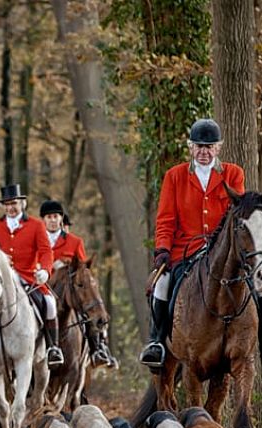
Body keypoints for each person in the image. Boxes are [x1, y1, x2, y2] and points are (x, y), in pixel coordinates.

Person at [139, 118, 245, 368]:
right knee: (162, 284)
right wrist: (163, 250)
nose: (204, 152)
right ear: (190, 147)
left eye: (209, 147)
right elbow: (165, 219)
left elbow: (239, 215)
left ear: (218, 148)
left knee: (251, 282)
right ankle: (156, 341)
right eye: (199, 146)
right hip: (185, 252)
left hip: (223, 252)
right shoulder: (174, 177)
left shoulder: (233, 173)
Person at [0, 185, 64, 367]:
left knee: (50, 304)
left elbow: (46, 252)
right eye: (7, 204)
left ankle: (53, 348)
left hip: (29, 280)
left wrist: (44, 270)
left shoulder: (36, 225)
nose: (11, 208)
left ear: (23, 204)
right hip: (0, 281)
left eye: (14, 203)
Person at [40, 199, 113, 367]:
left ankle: (98, 349)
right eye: (49, 217)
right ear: (43, 220)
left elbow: (82, 271)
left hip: (67, 292)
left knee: (85, 312)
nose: (52, 220)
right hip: (42, 287)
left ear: (61, 219)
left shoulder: (75, 241)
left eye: (55, 216)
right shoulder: (37, 238)